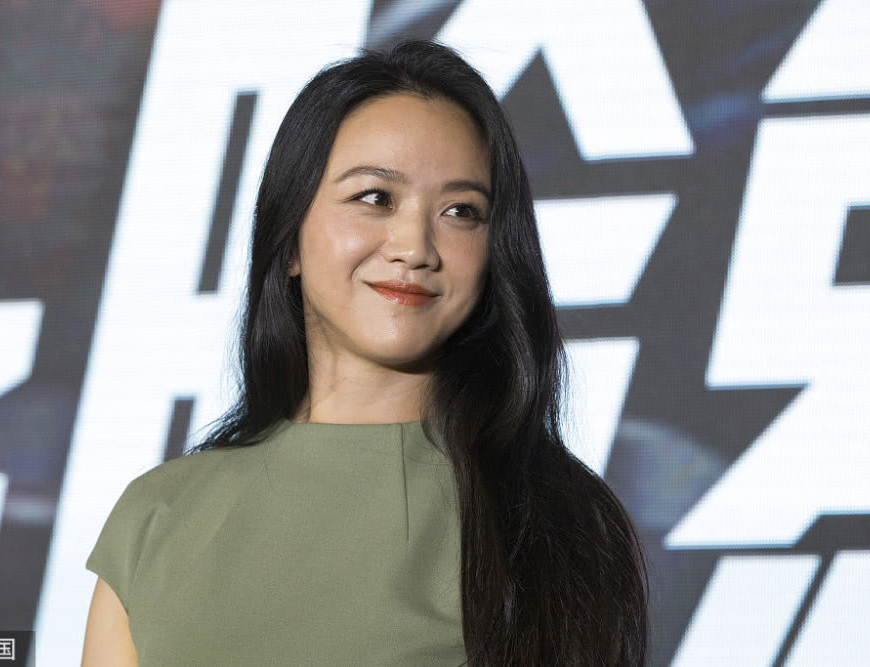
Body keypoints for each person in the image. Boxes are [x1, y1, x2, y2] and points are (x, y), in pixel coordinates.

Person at [82, 39, 647, 666]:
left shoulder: (558, 523)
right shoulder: (157, 516)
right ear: (289, 242)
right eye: (375, 197)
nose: (415, 247)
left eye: (461, 211)